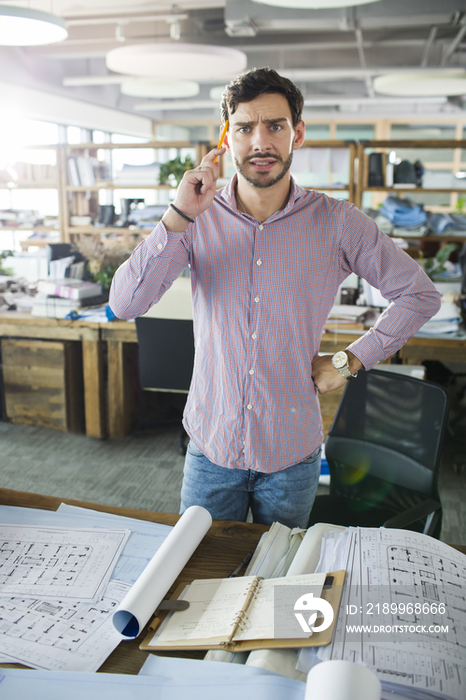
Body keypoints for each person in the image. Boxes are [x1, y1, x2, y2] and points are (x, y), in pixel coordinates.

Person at [109, 67, 441, 529]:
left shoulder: (338, 222)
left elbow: (419, 295)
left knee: (280, 588)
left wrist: (350, 360)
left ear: (297, 134)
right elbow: (125, 305)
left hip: (291, 455)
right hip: (211, 449)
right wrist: (179, 212)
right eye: (245, 127)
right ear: (228, 138)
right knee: (198, 578)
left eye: (275, 126)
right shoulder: (196, 217)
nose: (260, 141)